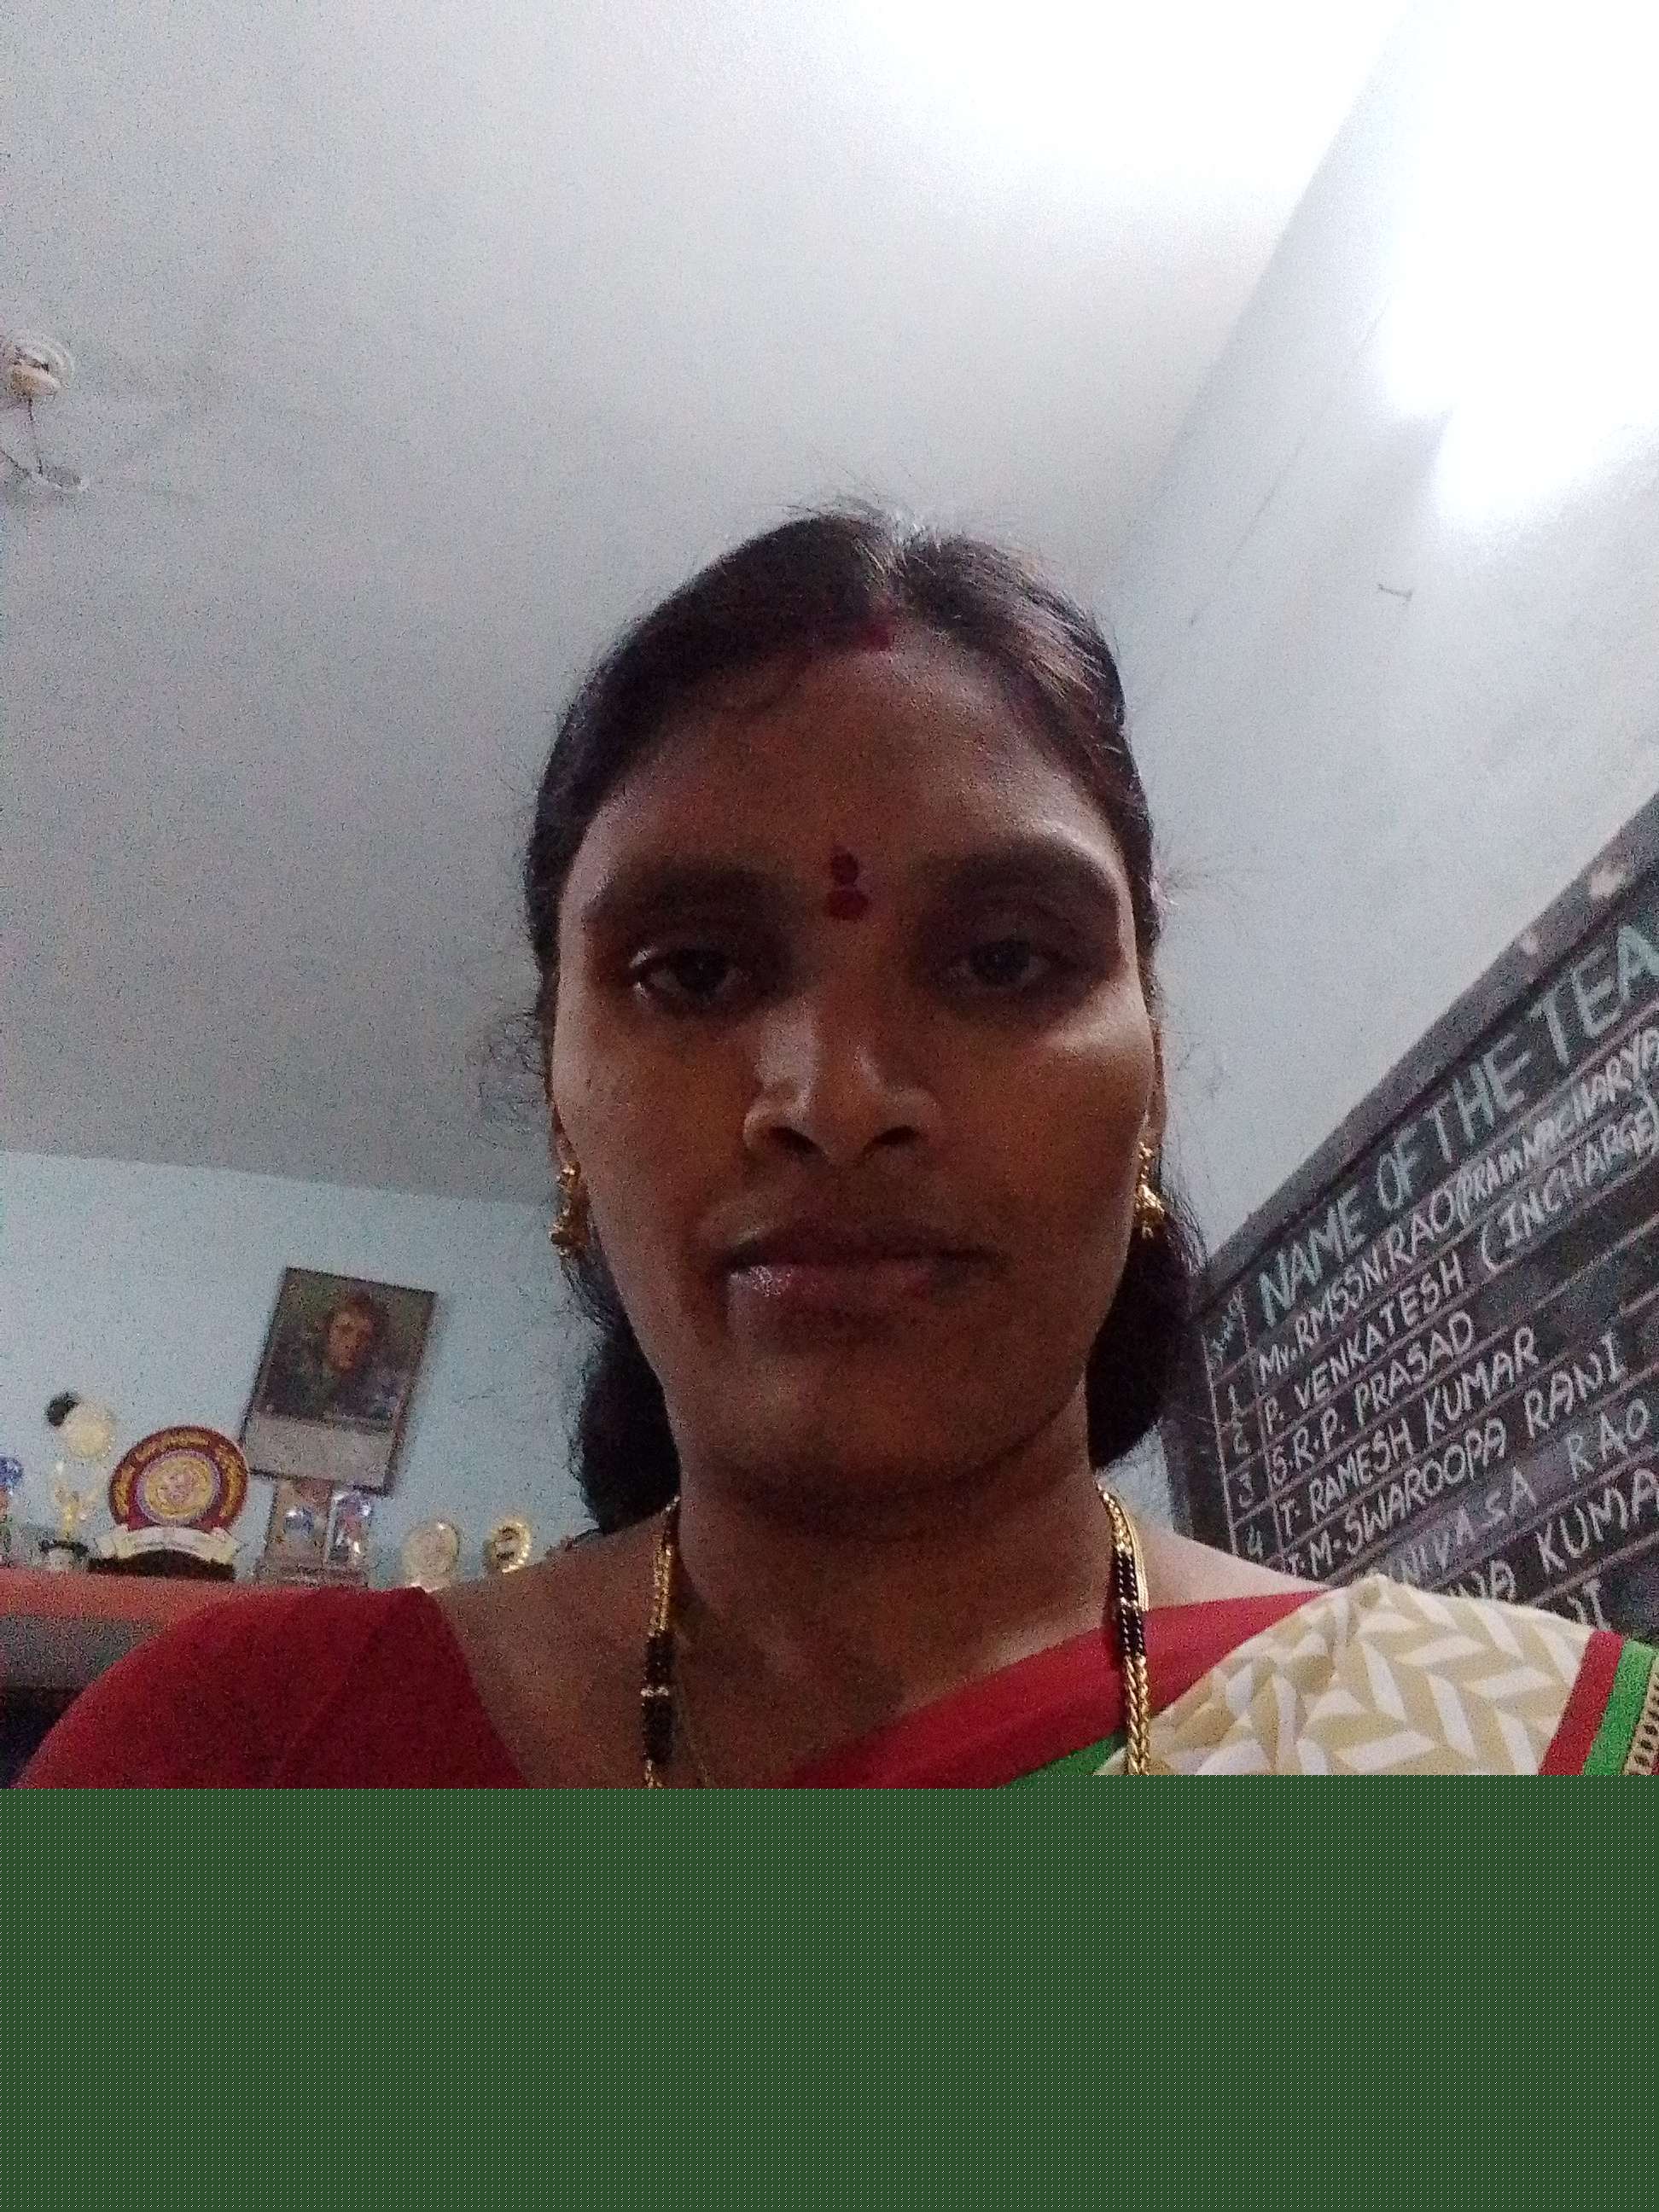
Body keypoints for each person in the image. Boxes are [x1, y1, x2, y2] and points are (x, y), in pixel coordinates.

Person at [21, 507, 1657, 1785]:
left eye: (1004, 959)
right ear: (562, 1100)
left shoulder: (1522, 1766)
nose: (836, 1097)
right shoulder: (238, 1766)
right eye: (695, 973)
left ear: (1153, 1067)